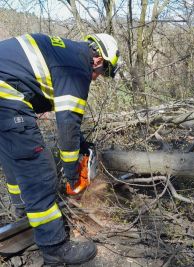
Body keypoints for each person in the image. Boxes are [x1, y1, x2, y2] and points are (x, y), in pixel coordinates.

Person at [0, 32, 120, 265]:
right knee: (41, 174)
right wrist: (72, 173)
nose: (96, 78)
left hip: (5, 98)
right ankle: (54, 247)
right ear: (98, 60)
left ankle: (24, 214)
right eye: (101, 73)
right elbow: (67, 126)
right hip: (7, 97)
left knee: (16, 163)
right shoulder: (77, 69)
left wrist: (82, 144)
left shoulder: (64, 53)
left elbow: (69, 121)